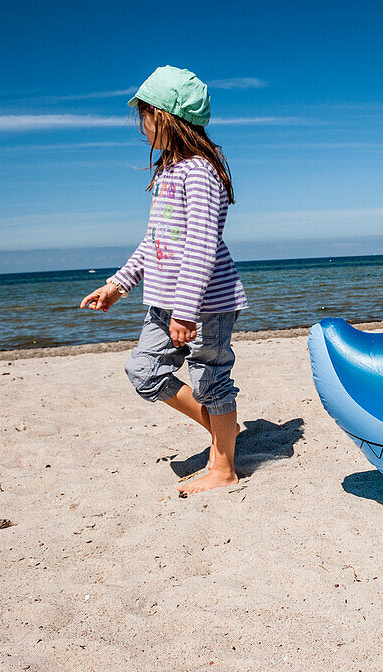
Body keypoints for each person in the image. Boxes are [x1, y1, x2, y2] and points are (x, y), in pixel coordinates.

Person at [80, 66, 248, 495]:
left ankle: (224, 468)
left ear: (167, 116)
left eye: (146, 115)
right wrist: (118, 284)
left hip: (204, 301)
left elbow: (200, 245)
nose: (142, 125)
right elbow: (154, 243)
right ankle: (222, 428)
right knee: (144, 368)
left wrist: (187, 308)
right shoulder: (169, 172)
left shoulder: (200, 171)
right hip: (164, 300)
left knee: (211, 378)